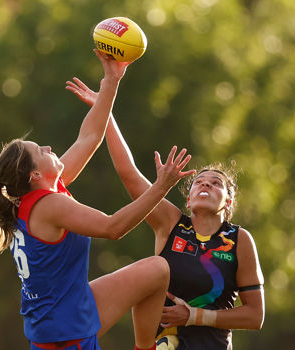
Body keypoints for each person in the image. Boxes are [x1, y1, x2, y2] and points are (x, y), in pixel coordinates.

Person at [0, 50, 196, 350]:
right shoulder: (50, 206)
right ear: (33, 176)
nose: (47, 146)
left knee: (158, 271)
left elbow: (89, 137)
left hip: (65, 312)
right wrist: (161, 186)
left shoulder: (42, 194)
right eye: (39, 151)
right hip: (66, 337)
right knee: (157, 270)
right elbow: (113, 228)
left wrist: (111, 80)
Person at [66, 78, 265, 350]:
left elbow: (255, 316)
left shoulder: (239, 239)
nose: (205, 183)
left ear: (228, 202)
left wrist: (194, 316)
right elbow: (128, 173)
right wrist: (105, 110)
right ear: (188, 198)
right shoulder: (170, 223)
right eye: (199, 181)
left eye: (216, 182)